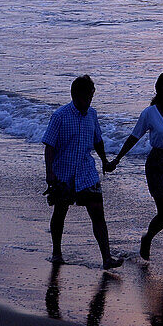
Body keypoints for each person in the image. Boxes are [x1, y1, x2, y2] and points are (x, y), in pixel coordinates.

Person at [107, 71, 163, 267]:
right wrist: (117, 159)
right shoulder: (149, 113)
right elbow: (134, 136)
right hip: (157, 163)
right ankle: (148, 237)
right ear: (159, 88)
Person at [42, 75, 123, 270]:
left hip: (87, 172)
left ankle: (106, 258)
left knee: (98, 213)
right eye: (86, 97)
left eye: (91, 97)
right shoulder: (60, 116)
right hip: (64, 173)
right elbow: (49, 146)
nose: (89, 101)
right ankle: (56, 253)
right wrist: (49, 174)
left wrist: (104, 160)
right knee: (60, 213)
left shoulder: (92, 115)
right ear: (75, 95)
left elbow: (97, 140)